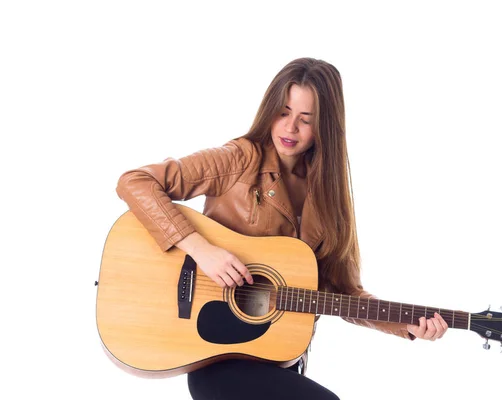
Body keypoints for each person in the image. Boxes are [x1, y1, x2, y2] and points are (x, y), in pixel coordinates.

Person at [116, 57, 448, 400]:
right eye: (284, 112)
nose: (290, 128)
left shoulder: (332, 199)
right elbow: (136, 182)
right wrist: (202, 250)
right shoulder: (238, 160)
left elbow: (344, 292)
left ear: (326, 127)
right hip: (215, 356)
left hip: (278, 361)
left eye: (306, 120)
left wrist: (404, 323)